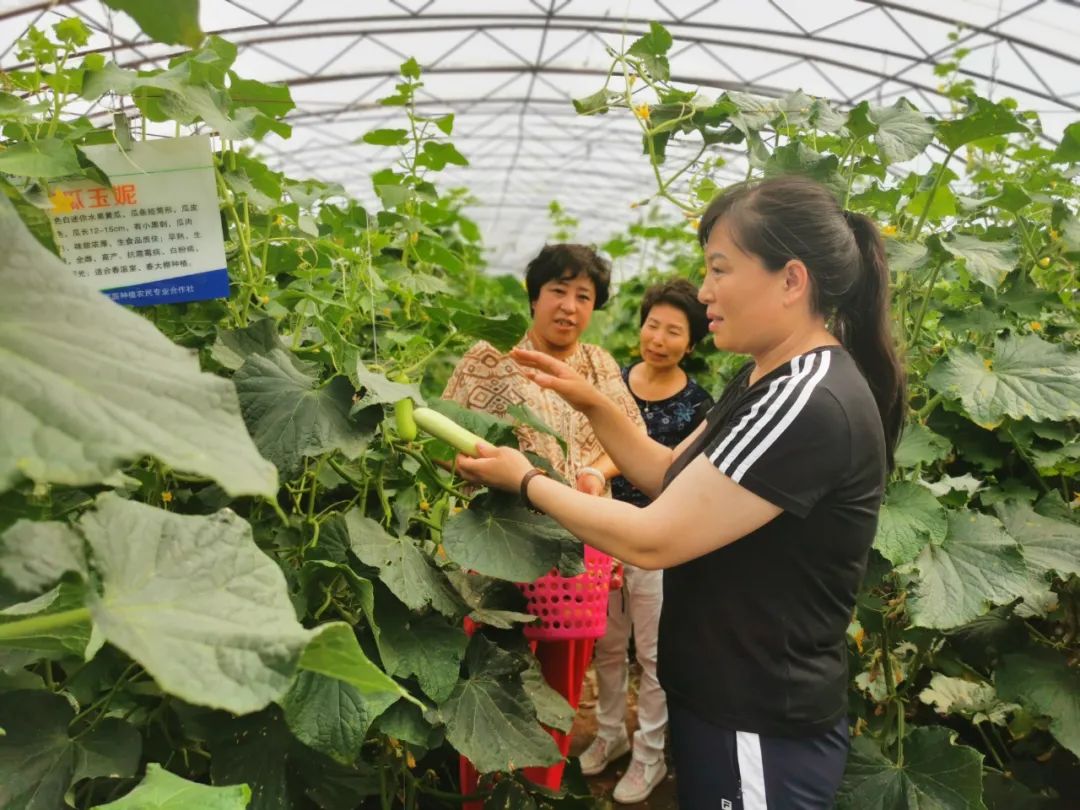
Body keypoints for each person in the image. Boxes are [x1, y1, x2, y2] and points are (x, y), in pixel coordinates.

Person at [455, 176, 905, 809]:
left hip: (758, 721)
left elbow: (655, 536)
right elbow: (670, 471)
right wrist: (588, 398)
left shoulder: (807, 402)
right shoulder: (764, 375)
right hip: (724, 704)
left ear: (791, 280)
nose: (705, 292)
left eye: (720, 269)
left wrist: (526, 482)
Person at [442, 243, 645, 794]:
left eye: (584, 295)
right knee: (490, 677)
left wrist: (597, 475)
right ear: (534, 296)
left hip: (574, 548)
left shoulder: (599, 365)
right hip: (499, 542)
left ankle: (538, 792)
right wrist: (477, 468)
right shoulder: (489, 359)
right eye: (558, 290)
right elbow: (449, 446)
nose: (569, 306)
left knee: (558, 684)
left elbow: (626, 440)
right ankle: (481, 792)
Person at [580, 278, 713, 803]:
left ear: (692, 343)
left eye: (673, 331)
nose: (657, 338)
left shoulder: (698, 405)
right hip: (605, 533)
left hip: (659, 542)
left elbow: (679, 477)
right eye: (652, 325)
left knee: (655, 655)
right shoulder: (612, 381)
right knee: (608, 647)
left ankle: (649, 756)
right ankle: (610, 735)